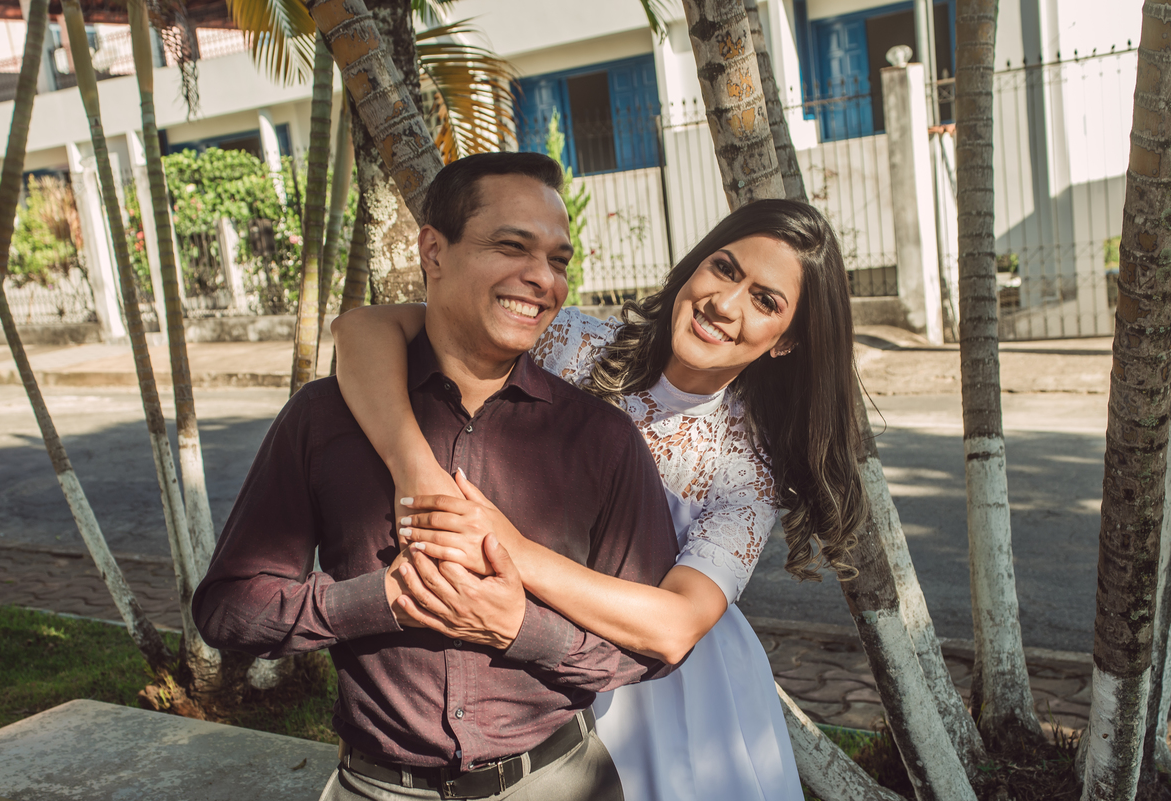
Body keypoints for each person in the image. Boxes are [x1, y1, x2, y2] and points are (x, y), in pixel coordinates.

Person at [331, 197, 870, 801]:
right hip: (502, 661)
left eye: (765, 301)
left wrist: (511, 549)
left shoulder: (747, 463)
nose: (725, 303)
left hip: (656, 694)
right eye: (724, 268)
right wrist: (415, 473)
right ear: (696, 264)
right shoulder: (571, 340)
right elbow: (363, 329)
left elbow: (674, 627)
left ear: (786, 343)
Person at [192, 151, 684, 801]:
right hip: (377, 787)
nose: (542, 278)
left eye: (559, 260)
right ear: (433, 250)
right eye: (512, 246)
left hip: (557, 781)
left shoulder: (601, 438)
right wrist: (377, 601)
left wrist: (520, 627)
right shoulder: (325, 418)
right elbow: (227, 609)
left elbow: (650, 648)